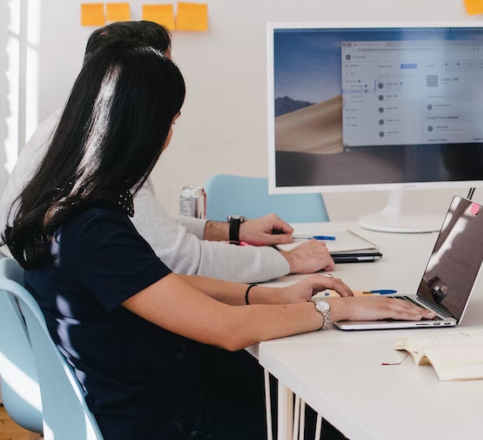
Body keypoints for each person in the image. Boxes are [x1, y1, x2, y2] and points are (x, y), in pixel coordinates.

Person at [1, 43, 433, 440]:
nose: (170, 134)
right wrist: (333, 311)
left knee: (293, 412)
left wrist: (266, 295)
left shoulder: (63, 206)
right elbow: (227, 332)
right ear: (144, 126)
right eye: (171, 119)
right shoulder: (94, 226)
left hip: (131, 418)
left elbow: (159, 284)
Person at [0, 21, 334, 283]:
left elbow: (141, 227)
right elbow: (182, 260)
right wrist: (288, 261)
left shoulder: (66, 131)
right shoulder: (101, 155)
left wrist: (234, 231)